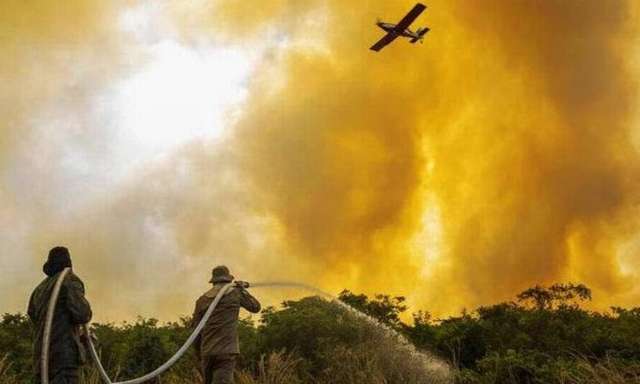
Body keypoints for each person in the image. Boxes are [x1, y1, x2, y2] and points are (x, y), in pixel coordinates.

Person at [28, 246, 93, 384]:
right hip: (63, 361)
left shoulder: (38, 290)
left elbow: (33, 316)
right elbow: (82, 314)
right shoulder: (68, 280)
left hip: (42, 360)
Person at [192, 265, 261, 384]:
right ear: (228, 280)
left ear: (213, 282)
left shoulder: (202, 300)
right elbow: (255, 307)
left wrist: (199, 355)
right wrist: (242, 290)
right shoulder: (235, 294)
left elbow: (195, 332)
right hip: (226, 352)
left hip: (207, 352)